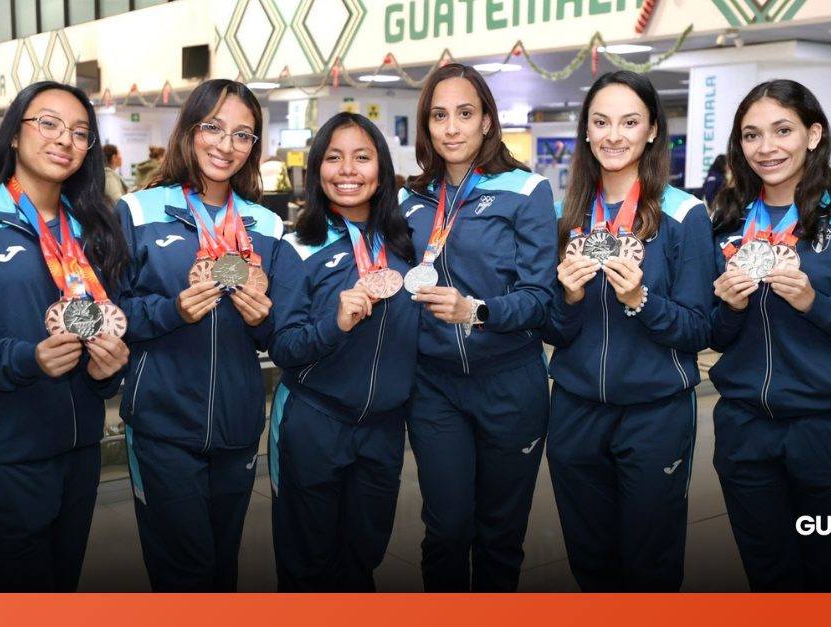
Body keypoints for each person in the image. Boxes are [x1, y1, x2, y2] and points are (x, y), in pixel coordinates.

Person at [0, 81, 132, 592]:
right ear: (14, 133)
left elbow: (98, 323)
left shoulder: (90, 229)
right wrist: (26, 358)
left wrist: (106, 372)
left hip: (78, 451)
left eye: (81, 132)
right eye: (49, 123)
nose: (65, 140)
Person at [709, 79, 831, 592]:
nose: (766, 147)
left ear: (813, 135)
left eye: (782, 130)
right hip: (744, 426)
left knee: (820, 575)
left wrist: (815, 304)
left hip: (829, 426)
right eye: (751, 135)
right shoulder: (726, 221)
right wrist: (729, 307)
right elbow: (716, 334)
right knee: (767, 574)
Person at [114, 79, 299, 592]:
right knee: (184, 574)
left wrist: (263, 318)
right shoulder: (137, 211)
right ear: (190, 131)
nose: (225, 145)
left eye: (242, 135)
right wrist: (172, 310)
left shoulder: (266, 224)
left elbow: (276, 333)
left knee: (221, 569)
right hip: (162, 422)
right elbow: (109, 313)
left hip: (237, 423)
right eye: (213, 128)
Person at [543, 70, 712, 592]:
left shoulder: (684, 215)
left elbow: (699, 328)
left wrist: (641, 300)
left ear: (653, 131)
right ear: (587, 132)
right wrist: (569, 298)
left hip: (654, 412)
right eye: (601, 122)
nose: (614, 135)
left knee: (648, 563)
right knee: (590, 561)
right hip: (574, 411)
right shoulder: (563, 215)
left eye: (629, 122)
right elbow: (550, 326)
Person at [399, 63, 558, 592]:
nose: (451, 128)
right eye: (439, 116)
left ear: (487, 120)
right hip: (434, 387)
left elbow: (540, 299)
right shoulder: (409, 200)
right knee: (446, 530)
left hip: (510, 382)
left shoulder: (526, 190)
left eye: (465, 114)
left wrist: (478, 310)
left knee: (499, 533)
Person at [267, 112, 418, 592]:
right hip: (315, 418)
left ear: (382, 169)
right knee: (308, 563)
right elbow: (284, 346)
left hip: (384, 427)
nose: (347, 170)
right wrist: (333, 325)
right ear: (315, 171)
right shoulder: (297, 247)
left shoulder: (407, 246)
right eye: (333, 158)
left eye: (362, 157)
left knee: (363, 557)